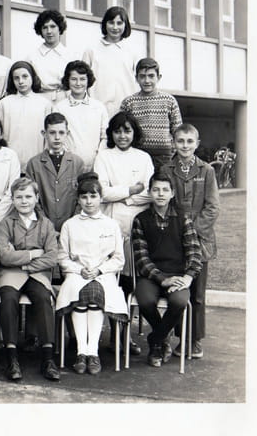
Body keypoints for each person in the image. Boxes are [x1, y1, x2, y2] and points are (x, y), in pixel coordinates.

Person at [55, 172, 128, 375]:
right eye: (84, 197)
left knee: (96, 292)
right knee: (80, 293)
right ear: (78, 200)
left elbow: (118, 259)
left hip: (103, 275)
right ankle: (81, 352)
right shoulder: (70, 225)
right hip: (76, 274)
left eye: (93, 196)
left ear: (101, 198)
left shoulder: (111, 225)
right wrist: (79, 269)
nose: (89, 201)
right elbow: (62, 257)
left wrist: (99, 270)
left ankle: (93, 352)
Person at [160, 124, 220, 359]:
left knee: (197, 294)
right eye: (180, 141)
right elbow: (164, 202)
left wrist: (192, 232)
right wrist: (177, 232)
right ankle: (175, 336)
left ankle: (193, 340)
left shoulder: (207, 170)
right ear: (173, 142)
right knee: (177, 289)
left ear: (197, 143)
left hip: (200, 240)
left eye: (189, 141)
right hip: (174, 239)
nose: (185, 146)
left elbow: (213, 207)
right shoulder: (167, 169)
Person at [132, 175, 202, 369]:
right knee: (145, 300)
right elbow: (141, 259)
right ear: (149, 193)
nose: (160, 194)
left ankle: (155, 339)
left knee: (179, 301)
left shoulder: (183, 218)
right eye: (155, 190)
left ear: (172, 194)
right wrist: (162, 279)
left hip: (178, 275)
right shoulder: (141, 220)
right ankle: (162, 339)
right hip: (151, 276)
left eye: (165, 190)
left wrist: (188, 277)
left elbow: (194, 252)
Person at [0, 177, 60, 382]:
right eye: (19, 197)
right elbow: (4, 256)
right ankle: (11, 357)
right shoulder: (6, 224)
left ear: (37, 198)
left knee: (42, 297)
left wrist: (23, 263)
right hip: (10, 274)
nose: (24, 201)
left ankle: (48, 358)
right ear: (13, 199)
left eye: (28, 196)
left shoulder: (46, 225)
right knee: (8, 299)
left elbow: (52, 257)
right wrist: (33, 254)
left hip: (37, 274)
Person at [94, 112, 154, 289]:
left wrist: (126, 200)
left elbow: (151, 192)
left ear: (134, 132)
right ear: (111, 133)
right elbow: (102, 193)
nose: (122, 136)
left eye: (127, 131)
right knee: (111, 267)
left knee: (134, 268)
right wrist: (131, 190)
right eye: (117, 131)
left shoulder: (144, 157)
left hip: (138, 218)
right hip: (111, 218)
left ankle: (132, 302)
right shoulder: (104, 157)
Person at [25, 113, 85, 233]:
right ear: (44, 134)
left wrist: (72, 224)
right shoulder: (34, 164)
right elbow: (31, 199)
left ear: (67, 134)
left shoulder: (77, 163)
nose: (57, 137)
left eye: (61, 133)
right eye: (52, 133)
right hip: (42, 227)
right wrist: (46, 225)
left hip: (73, 227)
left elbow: (82, 197)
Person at [120, 58, 183, 169]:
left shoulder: (169, 100)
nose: (147, 81)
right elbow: (122, 130)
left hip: (165, 158)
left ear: (158, 77)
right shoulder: (128, 102)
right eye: (142, 76)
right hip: (137, 157)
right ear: (136, 78)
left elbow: (178, 132)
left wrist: (174, 154)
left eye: (151, 76)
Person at [0, 60, 51, 171]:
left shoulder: (44, 103)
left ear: (32, 77)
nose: (21, 81)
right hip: (9, 161)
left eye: (25, 76)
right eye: (16, 78)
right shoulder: (5, 103)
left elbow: (49, 135)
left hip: (37, 160)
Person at [53, 60, 108, 172]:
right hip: (68, 166)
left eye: (82, 79)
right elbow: (57, 137)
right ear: (67, 80)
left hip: (95, 166)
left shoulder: (99, 107)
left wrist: (99, 159)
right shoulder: (59, 108)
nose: (78, 83)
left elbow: (105, 137)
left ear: (88, 80)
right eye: (74, 79)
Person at [82, 5, 137, 117]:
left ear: (126, 25)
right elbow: (83, 80)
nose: (115, 27)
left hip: (125, 112)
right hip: (97, 110)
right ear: (105, 24)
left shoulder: (132, 51)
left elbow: (137, 81)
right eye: (111, 22)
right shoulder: (91, 50)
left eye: (119, 23)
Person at [25, 9, 80, 104]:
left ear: (60, 28)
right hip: (39, 100)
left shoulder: (71, 56)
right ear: (40, 30)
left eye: (53, 26)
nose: (49, 31)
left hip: (66, 99)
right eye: (45, 27)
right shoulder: (31, 57)